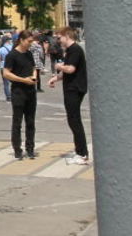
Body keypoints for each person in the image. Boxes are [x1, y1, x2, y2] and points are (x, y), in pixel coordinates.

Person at [50, 27, 90, 165]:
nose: (58, 41)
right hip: (72, 88)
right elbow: (69, 70)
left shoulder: (75, 50)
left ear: (67, 36)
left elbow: (70, 69)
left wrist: (59, 66)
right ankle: (80, 150)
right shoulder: (71, 50)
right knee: (73, 120)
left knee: (74, 120)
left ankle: (82, 153)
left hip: (75, 89)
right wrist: (56, 78)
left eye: (59, 38)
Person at [3, 30, 39, 159]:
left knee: (31, 122)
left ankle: (30, 148)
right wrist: (23, 80)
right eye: (29, 41)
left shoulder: (29, 54)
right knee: (17, 121)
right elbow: (6, 73)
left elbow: (34, 67)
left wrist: (34, 76)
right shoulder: (12, 55)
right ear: (21, 40)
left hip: (31, 91)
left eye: (32, 41)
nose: (31, 44)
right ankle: (17, 149)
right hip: (18, 91)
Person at [0, 34, 15, 101]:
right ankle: (15, 94)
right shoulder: (13, 47)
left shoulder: (1, 49)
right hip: (13, 66)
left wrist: (3, 59)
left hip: (3, 66)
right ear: (8, 41)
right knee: (14, 81)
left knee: (6, 83)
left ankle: (8, 97)